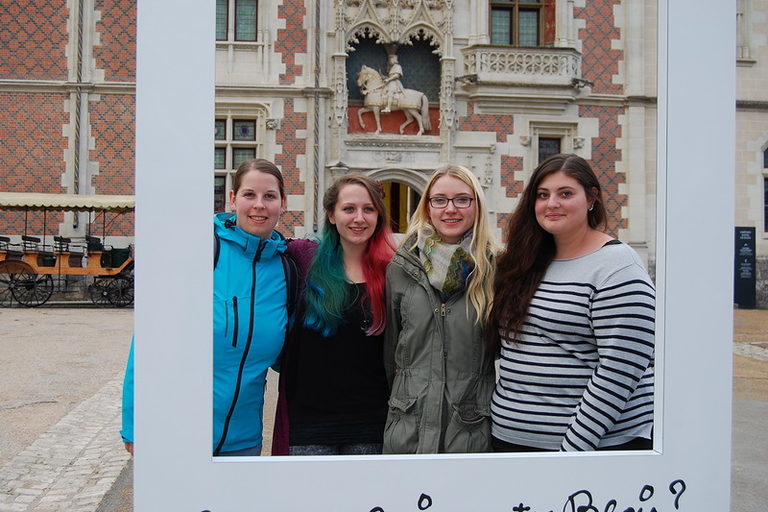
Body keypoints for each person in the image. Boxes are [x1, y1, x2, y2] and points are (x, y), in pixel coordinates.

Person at [120, 158, 297, 456]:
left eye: (269, 196)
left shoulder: (286, 271)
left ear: (283, 203)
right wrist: (135, 424)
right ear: (232, 199)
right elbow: (149, 343)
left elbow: (285, 358)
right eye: (249, 195)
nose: (259, 205)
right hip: (178, 435)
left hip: (244, 443)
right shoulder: (201, 253)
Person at [490, 153, 655, 452]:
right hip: (509, 441)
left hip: (589, 449)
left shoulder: (616, 267)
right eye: (542, 195)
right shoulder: (523, 261)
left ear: (591, 198)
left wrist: (574, 451)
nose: (551, 203)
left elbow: (620, 369)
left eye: (565, 194)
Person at [271, 174, 396, 456]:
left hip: (372, 426)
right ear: (331, 214)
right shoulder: (303, 257)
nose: (359, 218)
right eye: (349, 209)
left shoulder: (394, 272)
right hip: (307, 426)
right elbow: (254, 247)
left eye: (368, 209)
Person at [383, 164, 497, 454]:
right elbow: (391, 350)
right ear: (428, 206)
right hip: (409, 428)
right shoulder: (401, 267)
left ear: (477, 205)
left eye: (462, 199)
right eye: (440, 200)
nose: (451, 209)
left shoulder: (496, 270)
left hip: (470, 431)